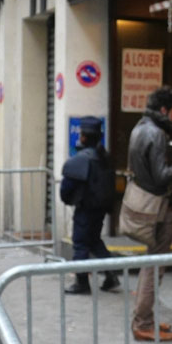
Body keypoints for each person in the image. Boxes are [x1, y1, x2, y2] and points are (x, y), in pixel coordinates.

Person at [127, 86, 172, 342]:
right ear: (164, 110)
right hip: (158, 209)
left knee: (150, 264)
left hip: (145, 206)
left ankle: (144, 319)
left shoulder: (139, 127)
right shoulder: (155, 133)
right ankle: (143, 323)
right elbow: (160, 175)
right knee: (154, 267)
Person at [59, 117, 120, 295]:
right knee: (94, 241)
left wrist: (69, 199)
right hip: (100, 209)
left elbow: (66, 187)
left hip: (85, 209)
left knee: (80, 244)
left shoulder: (82, 159)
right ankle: (111, 275)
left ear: (84, 137)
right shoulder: (105, 157)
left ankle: (82, 282)